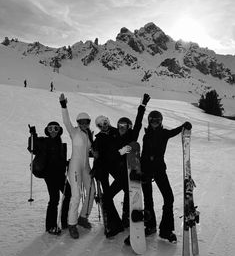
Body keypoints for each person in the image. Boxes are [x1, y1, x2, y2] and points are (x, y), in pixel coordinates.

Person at [93, 93, 150, 234]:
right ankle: (119, 223)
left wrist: (142, 106)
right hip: (120, 174)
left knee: (127, 195)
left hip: (128, 172)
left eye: (124, 125)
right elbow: (109, 153)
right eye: (120, 125)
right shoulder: (115, 136)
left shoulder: (132, 135)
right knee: (110, 197)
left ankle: (127, 218)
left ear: (129, 127)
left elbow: (138, 122)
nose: (122, 127)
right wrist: (120, 151)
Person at [141, 110, 192, 242]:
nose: (155, 123)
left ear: (161, 121)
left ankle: (165, 230)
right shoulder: (146, 136)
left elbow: (175, 131)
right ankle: (150, 226)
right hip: (146, 170)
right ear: (149, 121)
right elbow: (143, 154)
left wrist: (184, 126)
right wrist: (140, 171)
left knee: (168, 198)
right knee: (148, 199)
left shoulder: (164, 134)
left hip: (159, 170)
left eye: (157, 120)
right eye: (152, 120)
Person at [59, 93, 95, 239]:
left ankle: (83, 217)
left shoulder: (89, 135)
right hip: (74, 166)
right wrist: (63, 106)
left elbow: (89, 151)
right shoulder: (74, 131)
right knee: (76, 195)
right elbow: (66, 121)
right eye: (82, 122)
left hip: (86, 167)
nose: (84, 124)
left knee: (91, 191)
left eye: (86, 122)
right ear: (78, 122)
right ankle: (72, 224)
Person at [27, 122, 71, 235]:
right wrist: (33, 135)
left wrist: (67, 163)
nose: (53, 131)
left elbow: (59, 160)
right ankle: (51, 226)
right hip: (50, 175)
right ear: (47, 130)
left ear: (59, 130)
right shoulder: (43, 141)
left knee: (69, 193)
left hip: (60, 174)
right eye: (50, 128)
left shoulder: (60, 143)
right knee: (54, 199)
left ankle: (65, 220)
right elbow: (33, 148)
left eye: (55, 128)